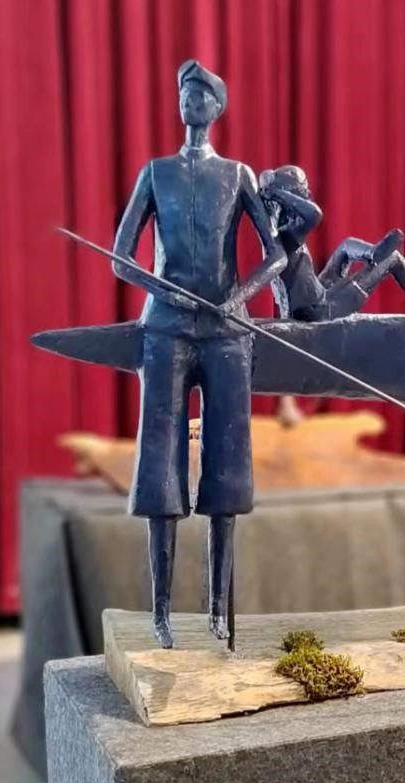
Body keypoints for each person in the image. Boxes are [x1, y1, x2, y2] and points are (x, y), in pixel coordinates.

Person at [112, 60, 286, 648]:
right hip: (165, 330)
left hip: (227, 332)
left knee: (226, 468)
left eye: (202, 93)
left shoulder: (237, 175)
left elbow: (275, 254)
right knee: (160, 468)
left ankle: (217, 610)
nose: (191, 100)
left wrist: (237, 298)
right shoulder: (155, 173)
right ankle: (161, 613)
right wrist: (163, 291)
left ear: (218, 107)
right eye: (184, 91)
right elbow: (121, 257)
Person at [258, 164, 405, 321]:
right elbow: (314, 214)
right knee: (393, 258)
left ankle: (372, 252)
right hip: (321, 310)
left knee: (346, 246)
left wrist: (274, 193)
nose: (308, 193)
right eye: (303, 189)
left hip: (315, 297)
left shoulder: (274, 232)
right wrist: (277, 193)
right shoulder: (288, 234)